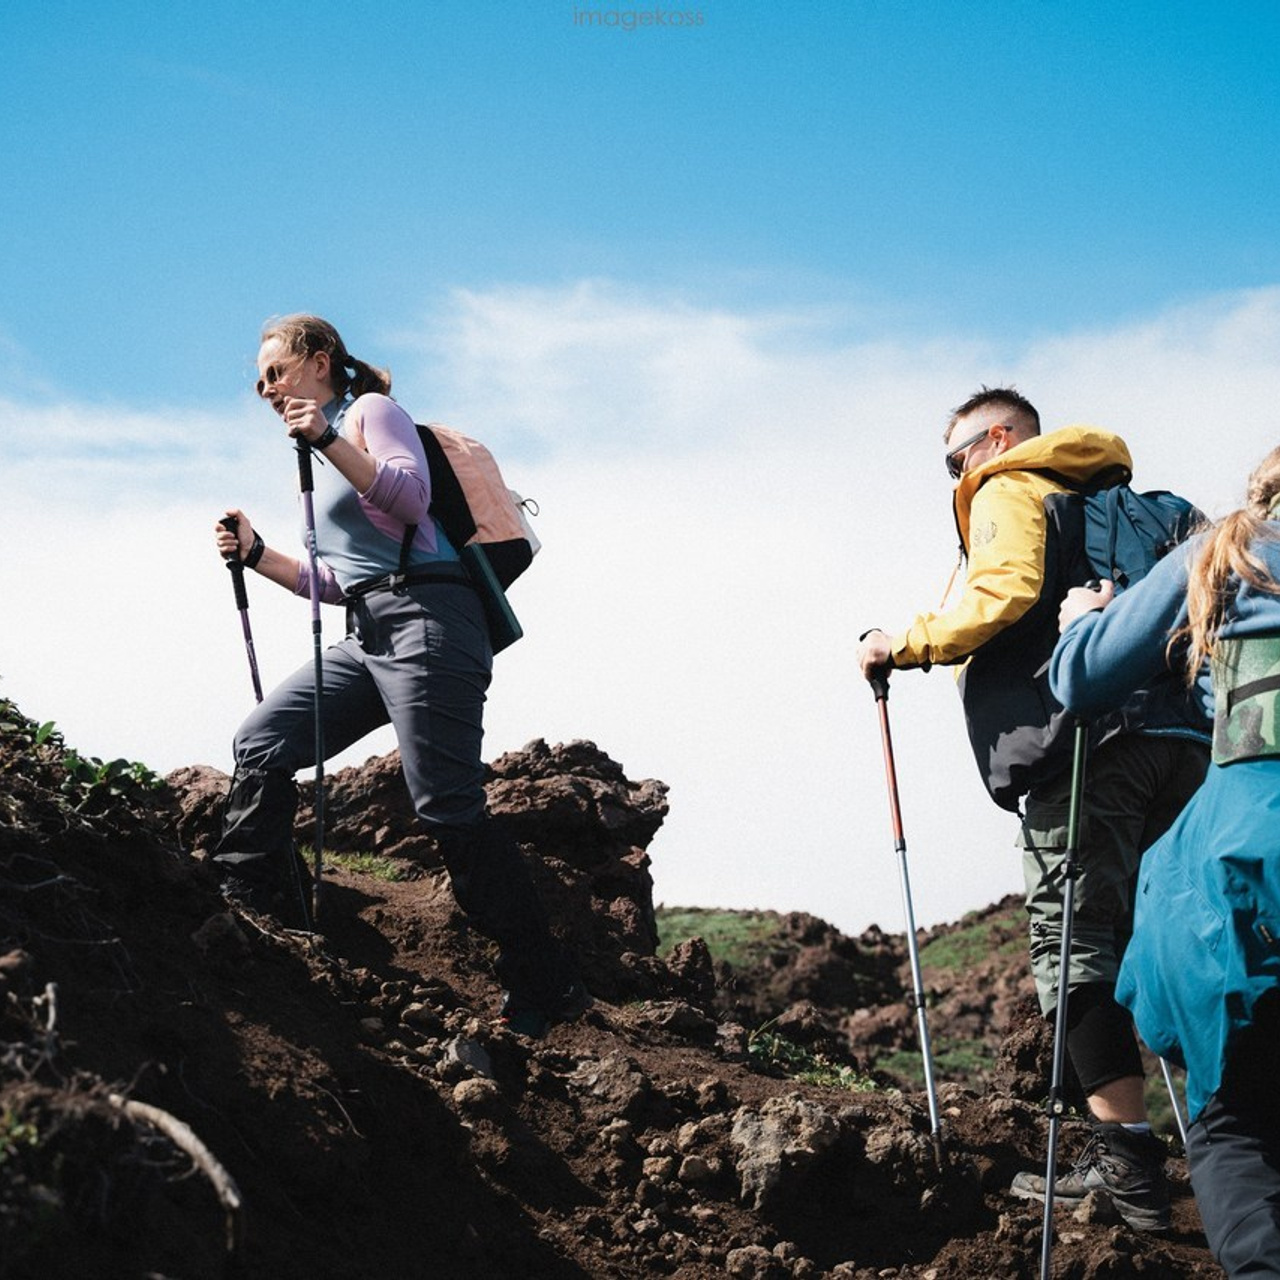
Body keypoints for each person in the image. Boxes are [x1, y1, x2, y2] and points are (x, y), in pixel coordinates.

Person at [855, 387, 1210, 1233]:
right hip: (1187, 744)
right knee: (1175, 937)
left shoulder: (1010, 487)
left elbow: (1005, 593)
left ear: (1000, 437)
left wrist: (899, 644)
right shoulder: (1140, 506)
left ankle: (1127, 1169)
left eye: (955, 459)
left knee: (1075, 942)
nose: (955, 477)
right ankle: (1234, 1137)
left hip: (1085, 742)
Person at [211, 313, 587, 1037]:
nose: (264, 388)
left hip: (432, 620)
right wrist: (258, 553)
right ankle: (252, 906)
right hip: (369, 627)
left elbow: (409, 499)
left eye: (275, 372)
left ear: (320, 361)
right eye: (259, 381)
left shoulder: (371, 414)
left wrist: (325, 437)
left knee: (446, 804)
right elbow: (336, 579)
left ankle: (545, 978)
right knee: (261, 739)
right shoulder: (319, 456)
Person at [1052, 445, 1280, 1275]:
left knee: (1235, 1123)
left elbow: (1080, 677)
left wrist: (1083, 620)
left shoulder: (1223, 551)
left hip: (1243, 868)